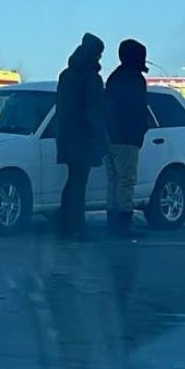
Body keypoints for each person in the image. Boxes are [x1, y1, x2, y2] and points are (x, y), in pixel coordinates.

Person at [55, 33, 108, 239]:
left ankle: (65, 223)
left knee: (72, 180)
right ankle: (76, 226)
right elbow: (94, 112)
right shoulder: (91, 78)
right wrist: (101, 138)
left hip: (67, 135)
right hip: (84, 137)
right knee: (79, 181)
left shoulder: (67, 75)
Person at [104, 39, 149, 238]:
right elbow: (139, 110)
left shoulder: (114, 77)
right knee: (126, 180)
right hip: (127, 138)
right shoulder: (135, 79)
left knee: (113, 179)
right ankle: (123, 222)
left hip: (110, 136)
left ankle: (113, 219)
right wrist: (140, 131)